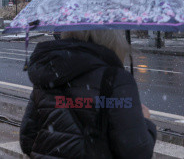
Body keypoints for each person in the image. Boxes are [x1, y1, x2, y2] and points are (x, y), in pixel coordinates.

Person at [20, 29, 156, 158]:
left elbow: (27, 141)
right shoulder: (114, 78)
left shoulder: (50, 72)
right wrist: (145, 121)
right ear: (112, 38)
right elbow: (137, 152)